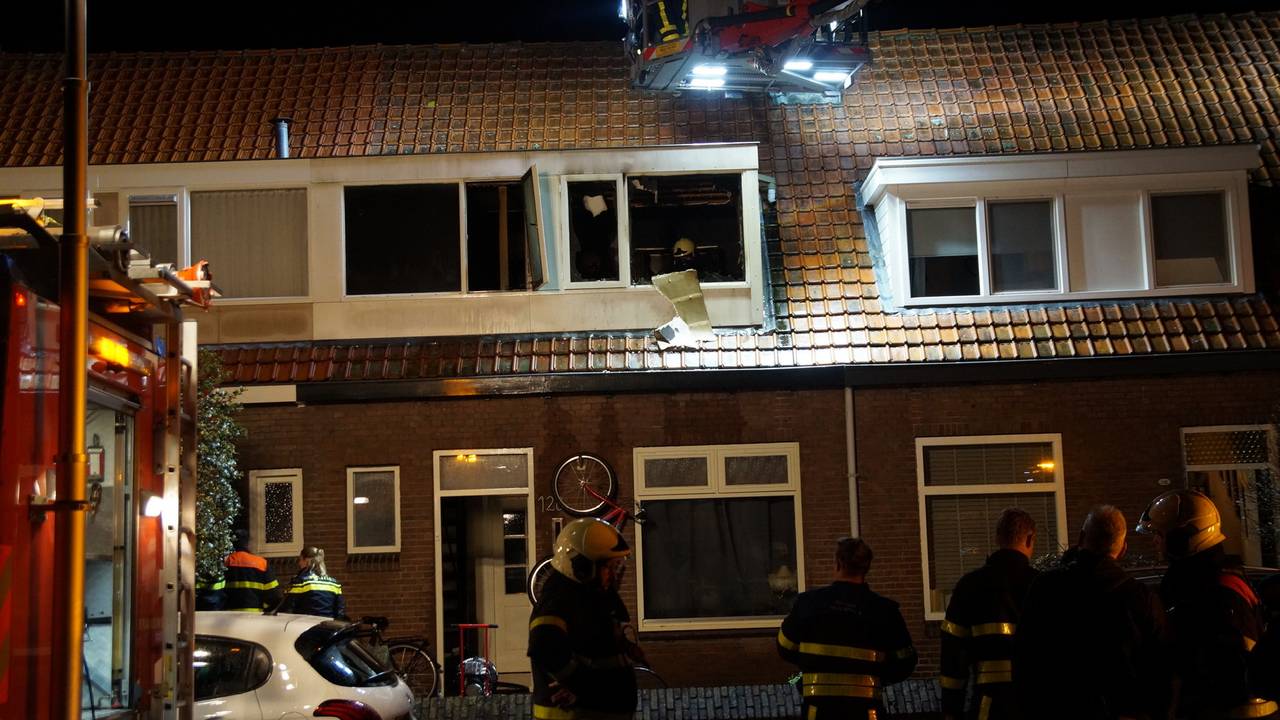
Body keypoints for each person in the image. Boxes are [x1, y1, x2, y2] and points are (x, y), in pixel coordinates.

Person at [1014, 506, 1167, 719]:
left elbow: (1025, 657)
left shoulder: (1046, 588)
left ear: (1081, 537)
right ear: (1123, 548)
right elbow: (1159, 667)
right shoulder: (1140, 597)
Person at [1135, 489, 1277, 719]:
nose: (1155, 542)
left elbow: (1224, 675)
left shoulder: (1213, 594)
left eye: (1160, 535)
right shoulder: (1203, 583)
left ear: (1182, 539)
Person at [777, 537, 917, 720]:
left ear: (838, 564)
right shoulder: (884, 610)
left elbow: (784, 647)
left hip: (817, 713)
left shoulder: (808, 603)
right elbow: (905, 662)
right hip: (867, 713)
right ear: (866, 568)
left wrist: (810, 665)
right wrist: (878, 676)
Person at [527, 518, 639, 720]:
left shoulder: (588, 596)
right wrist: (579, 687)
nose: (613, 575)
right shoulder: (558, 601)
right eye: (609, 567)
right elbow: (544, 646)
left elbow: (593, 644)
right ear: (582, 565)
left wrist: (627, 649)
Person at [939, 508, 1039, 720]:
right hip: (1038, 703)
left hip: (989, 706)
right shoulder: (1044, 586)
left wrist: (951, 709)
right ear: (1030, 539)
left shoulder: (970, 586)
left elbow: (953, 656)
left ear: (997, 537)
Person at [222, 529, 281, 613]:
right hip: (255, 618)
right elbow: (275, 597)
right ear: (248, 543)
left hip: (229, 617)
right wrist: (266, 610)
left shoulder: (226, 562)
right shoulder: (261, 563)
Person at [279, 546, 345, 618]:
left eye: (300, 560)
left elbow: (288, 608)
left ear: (307, 560)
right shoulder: (334, 583)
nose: (299, 563)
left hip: (306, 625)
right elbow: (340, 611)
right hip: (328, 626)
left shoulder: (301, 581)